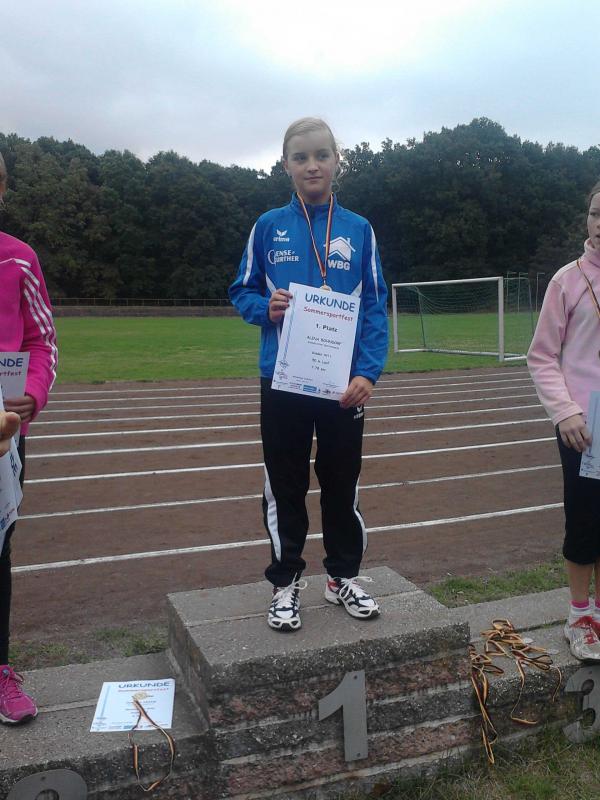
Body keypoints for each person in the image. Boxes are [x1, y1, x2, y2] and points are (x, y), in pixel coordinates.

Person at [229, 117, 388, 632]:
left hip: (343, 384)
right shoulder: (268, 226)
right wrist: (265, 308)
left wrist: (368, 372)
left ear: (337, 160)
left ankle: (342, 576)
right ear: (286, 165)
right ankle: (286, 582)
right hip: (283, 380)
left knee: (342, 483)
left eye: (321, 155)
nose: (312, 165)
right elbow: (241, 289)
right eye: (301, 157)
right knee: (285, 484)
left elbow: (375, 305)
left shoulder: (359, 229)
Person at [528, 179, 600, 662]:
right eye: (596, 214)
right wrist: (566, 411)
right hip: (584, 427)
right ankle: (579, 617)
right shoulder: (567, 281)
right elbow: (541, 356)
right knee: (585, 522)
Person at [0, 151, 58, 722]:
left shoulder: (19, 258)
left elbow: (42, 341)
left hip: (3, 429)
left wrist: (33, 395)